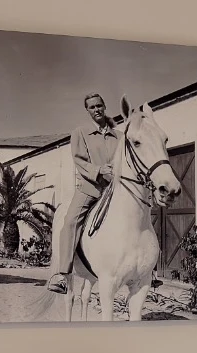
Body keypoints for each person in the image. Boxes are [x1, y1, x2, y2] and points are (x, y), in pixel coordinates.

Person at [47, 93, 119, 293]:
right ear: (88, 111)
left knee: (143, 210)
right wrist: (99, 170)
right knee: (70, 221)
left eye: (99, 105)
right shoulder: (81, 133)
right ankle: (62, 275)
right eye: (92, 107)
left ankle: (149, 271)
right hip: (91, 188)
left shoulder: (119, 136)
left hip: (116, 190)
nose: (96, 109)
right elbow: (79, 161)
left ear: (105, 107)